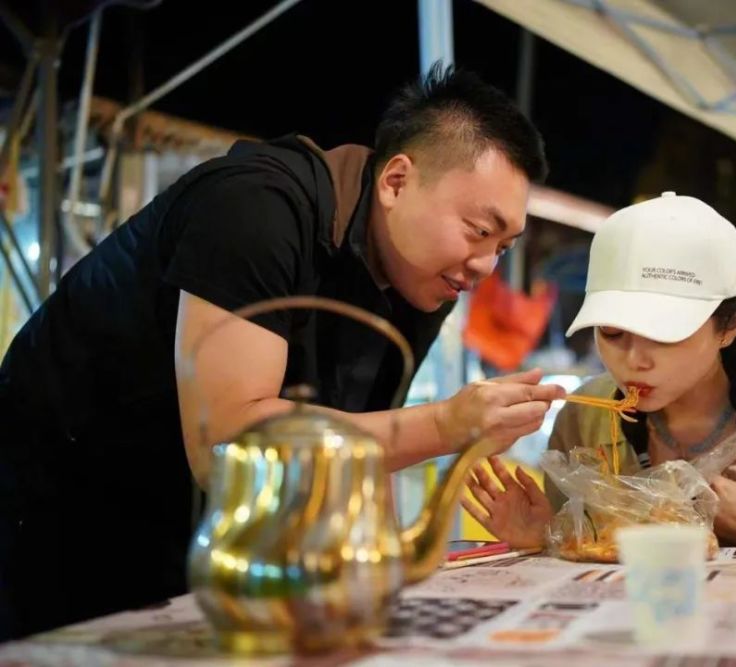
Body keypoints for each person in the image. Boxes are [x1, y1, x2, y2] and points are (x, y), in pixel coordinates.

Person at [0, 64, 565, 638]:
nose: (486, 266)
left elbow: (367, 442)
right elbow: (227, 441)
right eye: (478, 230)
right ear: (395, 181)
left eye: (504, 246)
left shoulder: (424, 277)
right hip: (58, 502)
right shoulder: (256, 207)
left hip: (195, 534)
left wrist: (386, 579)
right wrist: (449, 423)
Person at [463, 192, 736, 551]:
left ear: (730, 326)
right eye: (611, 332)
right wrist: (546, 541)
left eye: (664, 335)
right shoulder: (584, 421)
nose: (634, 360)